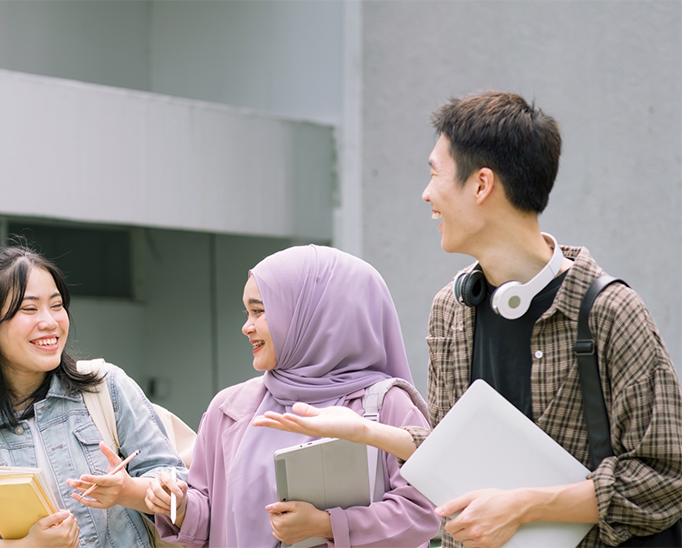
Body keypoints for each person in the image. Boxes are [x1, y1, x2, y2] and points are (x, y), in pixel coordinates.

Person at [253, 91, 682, 548]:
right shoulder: (450, 310)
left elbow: (664, 478)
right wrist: (365, 432)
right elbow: (450, 448)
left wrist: (524, 506)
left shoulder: (609, 311)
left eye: (435, 173)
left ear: (481, 185)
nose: (426, 193)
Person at [149, 245, 441, 548]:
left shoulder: (386, 406)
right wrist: (179, 507)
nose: (246, 327)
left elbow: (422, 513)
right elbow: (211, 516)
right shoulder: (230, 408)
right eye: (247, 312)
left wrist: (328, 525)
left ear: (313, 314)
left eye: (259, 311)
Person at [0, 246, 188, 548]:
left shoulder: (107, 387)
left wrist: (128, 490)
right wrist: (26, 546)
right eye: (29, 308)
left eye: (57, 305)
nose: (50, 322)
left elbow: (174, 481)